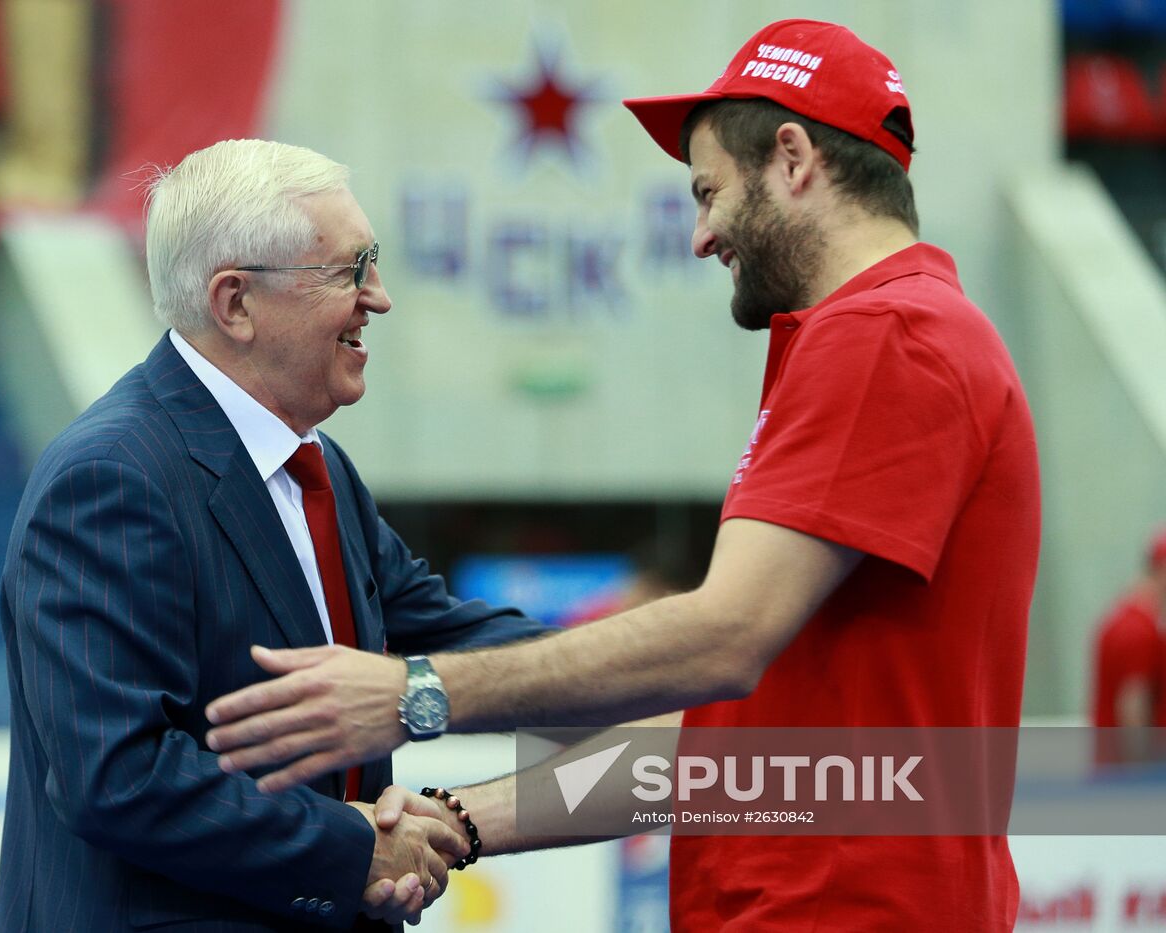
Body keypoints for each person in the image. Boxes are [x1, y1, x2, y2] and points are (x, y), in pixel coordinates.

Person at [204, 19, 1041, 931]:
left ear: (793, 159)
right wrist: (458, 821)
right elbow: (725, 740)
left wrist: (412, 695)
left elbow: (724, 637)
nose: (700, 234)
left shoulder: (884, 335)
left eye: (708, 191)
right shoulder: (901, 334)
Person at [0, 139, 547, 932]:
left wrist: (676, 672)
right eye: (349, 270)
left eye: (374, 262)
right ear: (236, 304)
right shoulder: (111, 476)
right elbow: (118, 775)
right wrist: (353, 846)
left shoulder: (317, 469)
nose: (380, 298)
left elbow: (457, 639)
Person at [1091, 528, 1166, 760]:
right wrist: (1141, 780)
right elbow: (1133, 710)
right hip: (1128, 777)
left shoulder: (1126, 619)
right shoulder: (1137, 631)